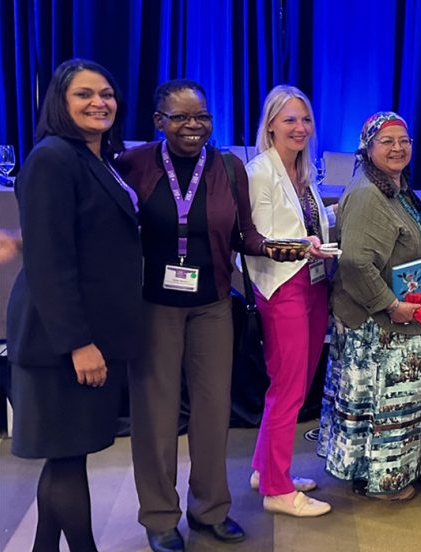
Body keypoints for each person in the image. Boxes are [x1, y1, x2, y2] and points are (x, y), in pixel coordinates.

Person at [118, 79, 264, 550]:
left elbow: (245, 235)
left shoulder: (227, 166)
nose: (193, 125)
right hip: (154, 307)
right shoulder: (134, 164)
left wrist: (287, 248)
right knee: (156, 417)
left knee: (211, 412)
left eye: (201, 116)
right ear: (158, 121)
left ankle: (209, 510)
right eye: (179, 117)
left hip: (213, 307)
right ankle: (160, 518)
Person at [6, 58, 142, 552]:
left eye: (106, 93)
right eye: (84, 94)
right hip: (57, 343)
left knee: (66, 457)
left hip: (82, 335)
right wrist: (79, 344)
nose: (98, 102)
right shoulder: (52, 158)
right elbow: (51, 264)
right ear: (60, 103)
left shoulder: (95, 157)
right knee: (66, 459)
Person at [319, 111, 421, 501]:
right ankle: (383, 485)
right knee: (384, 409)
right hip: (379, 326)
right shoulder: (369, 193)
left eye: (404, 140)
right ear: (367, 148)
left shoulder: (392, 187)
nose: (398, 148)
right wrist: (392, 305)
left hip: (388, 320)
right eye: (387, 141)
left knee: (377, 408)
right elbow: (353, 261)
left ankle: (373, 479)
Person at [245, 85, 333, 517]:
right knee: (288, 389)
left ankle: (266, 468)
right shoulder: (259, 171)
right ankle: (279, 491)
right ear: (271, 124)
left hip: (314, 282)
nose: (300, 128)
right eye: (290, 119)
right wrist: (304, 244)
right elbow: (254, 236)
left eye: (305, 120)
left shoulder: (305, 171)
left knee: (293, 386)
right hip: (283, 286)